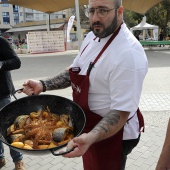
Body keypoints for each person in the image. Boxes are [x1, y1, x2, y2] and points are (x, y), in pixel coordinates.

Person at [22, 0, 148, 169]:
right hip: (88, 128)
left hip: (114, 135)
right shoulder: (92, 36)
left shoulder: (128, 54)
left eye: (103, 11)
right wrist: (43, 84)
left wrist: (91, 137)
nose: (95, 18)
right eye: (92, 11)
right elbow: (75, 70)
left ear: (120, 12)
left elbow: (121, 112)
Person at [0, 36, 26, 170]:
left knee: (10, 128)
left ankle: (18, 161)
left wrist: (1, 64)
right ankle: (0, 158)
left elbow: (16, 61)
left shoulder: (2, 42)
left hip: (2, 93)